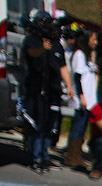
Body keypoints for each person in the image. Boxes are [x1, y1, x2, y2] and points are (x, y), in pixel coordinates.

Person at [21, 11, 74, 172]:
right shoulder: (32, 40)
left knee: (49, 124)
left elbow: (62, 66)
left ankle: (44, 155)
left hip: (53, 90)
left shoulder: (57, 44)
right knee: (36, 122)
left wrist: (69, 86)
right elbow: (31, 53)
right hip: (36, 89)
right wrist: (42, 49)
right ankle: (35, 156)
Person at [66, 30, 98, 171]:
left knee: (82, 128)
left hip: (89, 99)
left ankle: (77, 155)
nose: (95, 42)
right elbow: (78, 78)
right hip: (82, 99)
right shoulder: (79, 54)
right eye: (93, 39)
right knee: (78, 127)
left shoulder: (88, 55)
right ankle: (72, 156)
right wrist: (82, 96)